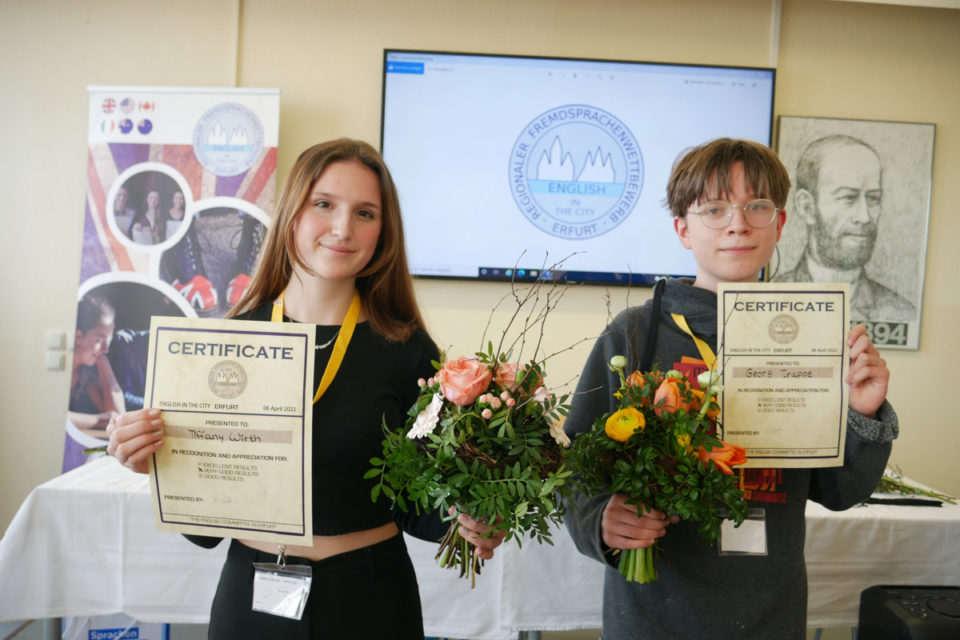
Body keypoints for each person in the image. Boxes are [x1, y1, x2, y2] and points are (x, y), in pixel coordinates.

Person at [106, 139, 505, 639]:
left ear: (384, 232)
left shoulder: (407, 350)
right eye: (324, 204)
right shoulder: (225, 343)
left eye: (365, 213)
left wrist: (467, 519)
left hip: (370, 600)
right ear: (292, 212)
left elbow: (415, 503)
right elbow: (203, 531)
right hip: (251, 601)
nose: (343, 228)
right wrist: (157, 461)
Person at [563, 138, 898, 639]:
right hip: (653, 616)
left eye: (756, 206)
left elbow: (839, 492)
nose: (737, 224)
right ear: (683, 229)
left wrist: (863, 416)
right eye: (714, 209)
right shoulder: (633, 334)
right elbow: (576, 467)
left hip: (769, 615)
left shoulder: (816, 336)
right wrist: (599, 519)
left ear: (780, 224)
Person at [773, 134, 915, 323]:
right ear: (807, 207)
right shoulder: (766, 299)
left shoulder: (901, 312)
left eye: (873, 198)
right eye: (848, 197)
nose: (864, 217)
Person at [69, 294, 126, 433]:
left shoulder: (85, 372)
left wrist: (102, 360)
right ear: (78, 336)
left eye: (109, 340)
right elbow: (51, 412)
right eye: (99, 340)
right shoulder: (59, 364)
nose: (106, 349)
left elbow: (118, 416)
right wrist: (97, 420)